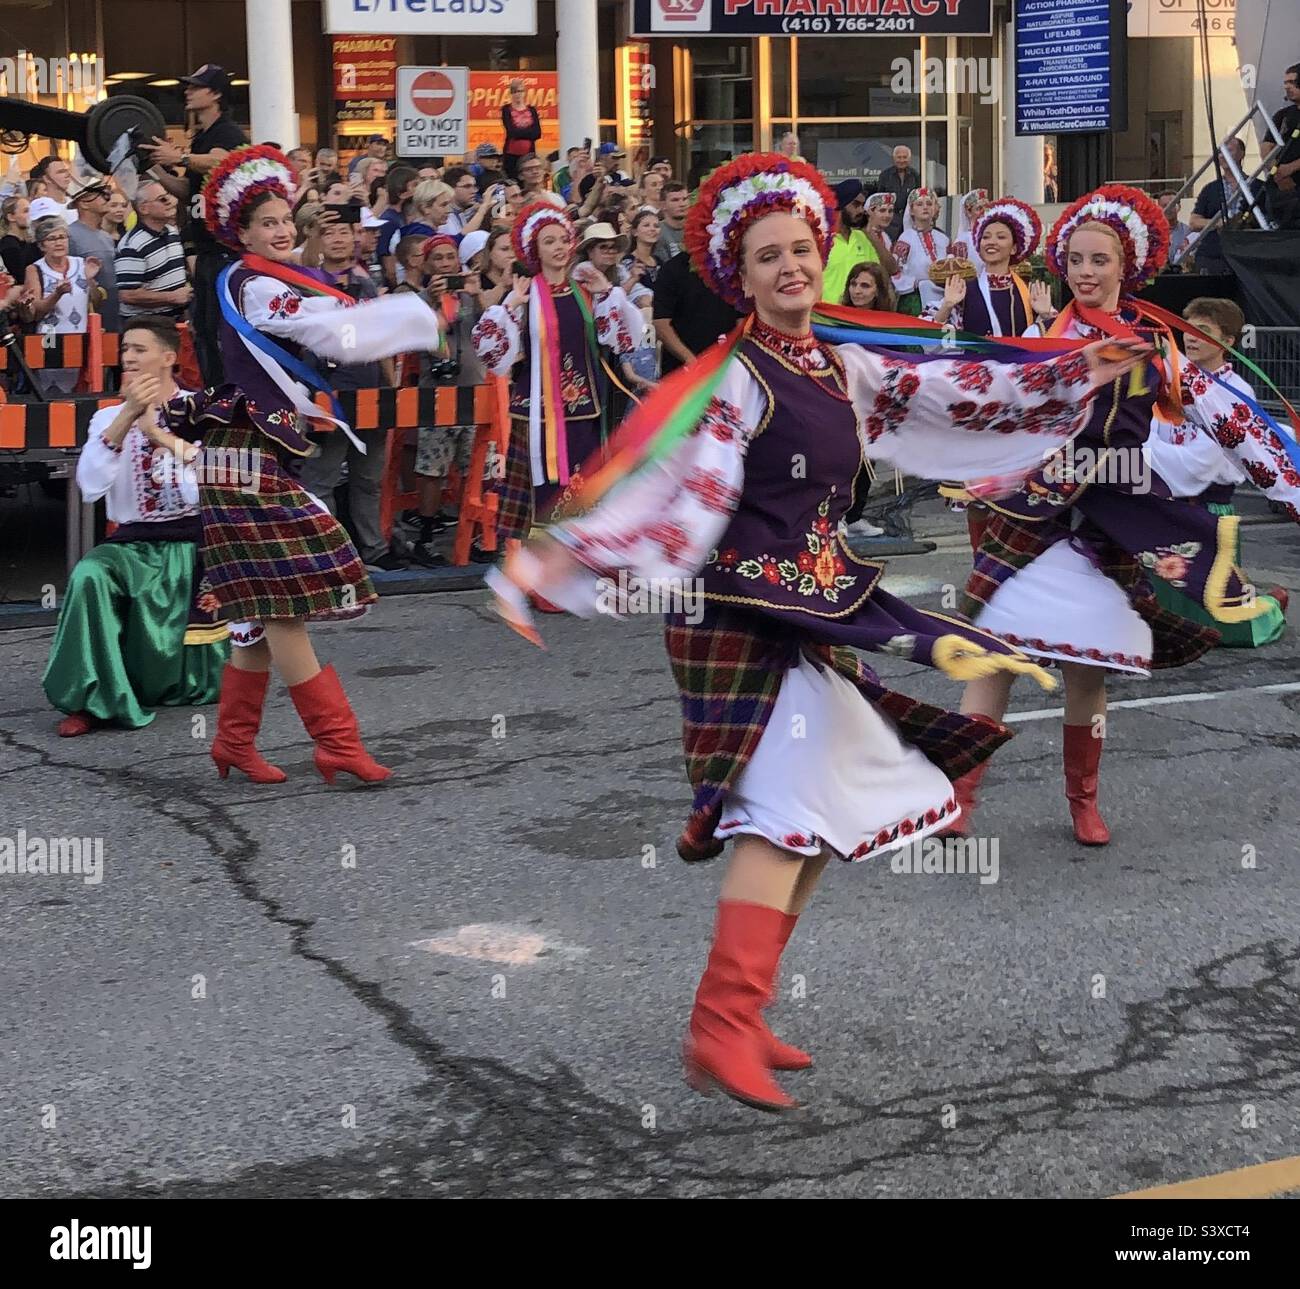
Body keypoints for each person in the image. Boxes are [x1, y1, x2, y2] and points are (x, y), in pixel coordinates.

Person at [487, 153, 1150, 1111]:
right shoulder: (735, 381)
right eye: (769, 257)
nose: (791, 266)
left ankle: (739, 1016)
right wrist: (566, 559)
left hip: (814, 603)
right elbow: (679, 491)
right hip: (742, 614)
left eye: (801, 248)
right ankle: (720, 1021)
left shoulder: (840, 362)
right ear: (741, 277)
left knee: (819, 815)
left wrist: (1078, 368)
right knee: (789, 812)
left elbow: (958, 392)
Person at [949, 184, 1298, 845]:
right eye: (1075, 259)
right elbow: (989, 410)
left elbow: (1234, 422)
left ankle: (1083, 802)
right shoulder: (1038, 340)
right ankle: (958, 800)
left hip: (1112, 518)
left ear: (1126, 267)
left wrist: (1292, 492)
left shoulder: (1155, 347)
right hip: (1034, 512)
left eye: (1098, 260)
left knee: (1087, 668)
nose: (1084, 272)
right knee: (994, 654)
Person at [164, 145, 440, 785]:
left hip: (254, 448)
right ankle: (336, 743)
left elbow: (325, 324)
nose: (282, 229)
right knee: (285, 600)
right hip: (244, 452)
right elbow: (324, 330)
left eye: (287, 218)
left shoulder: (272, 278)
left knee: (266, 604)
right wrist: (404, 317)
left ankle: (234, 740)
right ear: (242, 232)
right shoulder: (250, 282)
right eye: (267, 223)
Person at [42, 315, 228, 736]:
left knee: (209, 682)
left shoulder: (204, 411)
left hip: (193, 541)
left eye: (138, 349)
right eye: (125, 349)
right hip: (133, 543)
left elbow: (215, 485)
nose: (128, 357)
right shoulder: (106, 417)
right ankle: (90, 700)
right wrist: (126, 417)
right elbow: (90, 486)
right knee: (90, 573)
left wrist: (160, 435)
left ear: (168, 357)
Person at [470, 200, 643, 550]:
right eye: (549, 241)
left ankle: (573, 562)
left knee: (579, 487)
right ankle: (539, 571)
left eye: (564, 239)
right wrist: (509, 306)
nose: (560, 247)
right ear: (534, 249)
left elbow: (624, 338)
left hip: (582, 409)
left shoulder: (584, 289)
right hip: (535, 413)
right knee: (540, 491)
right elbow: (489, 351)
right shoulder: (525, 293)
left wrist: (606, 293)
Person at [1141, 296, 1291, 645]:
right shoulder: (1171, 385)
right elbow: (1150, 431)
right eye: (1187, 329)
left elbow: (1204, 462)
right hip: (1169, 504)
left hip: (1209, 509)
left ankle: (1269, 606)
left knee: (1222, 621)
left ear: (1228, 342)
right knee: (1168, 615)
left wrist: (1148, 455)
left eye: (1202, 331)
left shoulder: (1235, 392)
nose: (1190, 338)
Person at [296, 216, 400, 574]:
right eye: (329, 232)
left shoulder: (366, 283)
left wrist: (391, 386)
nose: (338, 239)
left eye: (344, 232)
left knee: (368, 476)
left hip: (369, 387)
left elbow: (382, 337)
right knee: (322, 475)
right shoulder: (305, 280)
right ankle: (329, 552)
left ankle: (373, 547)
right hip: (325, 389)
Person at [141, 63, 248, 386]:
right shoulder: (200, 137)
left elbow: (224, 160)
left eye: (195, 86)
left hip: (226, 253)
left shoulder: (226, 132)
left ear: (215, 94)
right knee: (201, 329)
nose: (187, 91)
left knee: (220, 332)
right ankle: (215, 393)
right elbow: (188, 191)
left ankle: (231, 397)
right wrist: (153, 168)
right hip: (205, 252)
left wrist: (181, 158)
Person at [409, 235, 486, 566]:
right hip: (437, 395)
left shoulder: (468, 296)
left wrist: (476, 291)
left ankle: (478, 536)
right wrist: (431, 299)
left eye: (450, 257)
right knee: (432, 471)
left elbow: (489, 322)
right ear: (426, 265)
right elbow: (416, 332)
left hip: (473, 392)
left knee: (476, 468)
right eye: (437, 259)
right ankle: (425, 539)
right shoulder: (419, 301)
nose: (444, 264)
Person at [20, 216, 102, 394]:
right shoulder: (35, 269)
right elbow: (36, 311)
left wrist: (90, 281)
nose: (58, 242)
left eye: (62, 237)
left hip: (81, 334)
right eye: (52, 239)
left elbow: (96, 301)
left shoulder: (82, 264)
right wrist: (57, 295)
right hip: (50, 334)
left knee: (84, 388)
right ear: (42, 245)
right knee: (52, 388)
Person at [652, 248, 740, 376]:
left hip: (728, 367)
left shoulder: (732, 267)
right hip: (683, 371)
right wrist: (691, 361)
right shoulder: (673, 268)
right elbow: (661, 323)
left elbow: (742, 317)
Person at [116, 180, 191, 321]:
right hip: (146, 324)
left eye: (168, 195)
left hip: (176, 320)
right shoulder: (132, 244)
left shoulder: (173, 232)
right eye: (162, 199)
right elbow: (127, 294)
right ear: (144, 209)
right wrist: (172, 297)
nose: (170, 201)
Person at [1189, 138, 1262, 275]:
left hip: (1248, 254)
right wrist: (1217, 223)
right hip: (1214, 254)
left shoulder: (1257, 186)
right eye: (1220, 152)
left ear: (1242, 154)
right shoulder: (1210, 189)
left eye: (1229, 150)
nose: (1223, 155)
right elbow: (1194, 222)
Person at [66, 176, 122, 332]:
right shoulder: (70, 235)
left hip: (113, 313)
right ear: (83, 202)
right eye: (98, 193)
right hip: (89, 318)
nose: (106, 197)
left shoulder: (105, 236)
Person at [891, 187, 950, 314]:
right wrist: (914, 283)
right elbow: (896, 270)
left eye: (929, 204)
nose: (925, 207)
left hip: (942, 297)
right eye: (919, 204)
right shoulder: (906, 238)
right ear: (911, 210)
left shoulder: (943, 239)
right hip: (914, 299)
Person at [821, 178, 874, 305]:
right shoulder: (821, 238)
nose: (861, 210)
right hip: (826, 317)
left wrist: (868, 232)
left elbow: (889, 270)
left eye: (862, 205)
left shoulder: (863, 238)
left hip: (857, 316)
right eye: (856, 205)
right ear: (841, 206)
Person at [1262, 62, 1300, 228]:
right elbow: (1266, 148)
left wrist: (1291, 168)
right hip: (1281, 191)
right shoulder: (1282, 116)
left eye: (1292, 82)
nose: (1287, 87)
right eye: (1285, 83)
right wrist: (1276, 171)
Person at [873, 144, 920, 240]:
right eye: (899, 157)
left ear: (909, 159)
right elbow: (879, 199)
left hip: (909, 221)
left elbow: (917, 197)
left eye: (905, 157)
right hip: (890, 221)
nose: (902, 160)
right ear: (894, 159)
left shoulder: (914, 175)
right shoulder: (885, 176)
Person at [501, 81, 542, 179]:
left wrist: (519, 132)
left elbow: (537, 133)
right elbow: (511, 132)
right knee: (512, 179)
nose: (518, 94)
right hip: (511, 154)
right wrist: (528, 132)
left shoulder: (532, 110)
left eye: (520, 91)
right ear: (511, 94)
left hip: (529, 153)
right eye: (515, 92)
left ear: (524, 93)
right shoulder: (506, 109)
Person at [440, 166, 492, 239]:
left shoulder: (462, 212)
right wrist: (483, 208)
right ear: (450, 188)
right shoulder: (443, 217)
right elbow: (461, 240)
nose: (474, 191)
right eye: (467, 186)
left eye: (474, 186)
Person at [0, 194, 39, 281]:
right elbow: (20, 276)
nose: (30, 215)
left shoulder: (30, 242)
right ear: (11, 217)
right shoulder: (8, 245)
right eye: (26, 211)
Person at [948, 188, 989, 260]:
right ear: (969, 213)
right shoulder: (962, 241)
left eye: (987, 207)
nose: (984, 212)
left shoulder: (994, 235)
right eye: (979, 208)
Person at [654, 181, 689, 264]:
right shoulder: (656, 231)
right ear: (663, 205)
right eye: (675, 200)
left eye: (684, 199)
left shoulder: (697, 229)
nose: (682, 204)